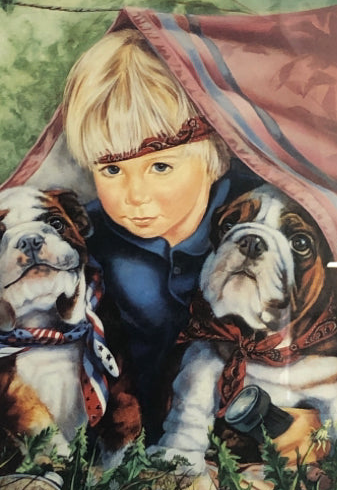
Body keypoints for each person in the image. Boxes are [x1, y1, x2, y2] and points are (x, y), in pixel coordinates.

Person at [62, 27, 255, 440]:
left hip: (238, 440)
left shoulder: (255, 221)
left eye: (160, 167)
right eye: (111, 170)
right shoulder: (88, 238)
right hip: (125, 442)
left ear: (212, 156)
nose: (134, 195)